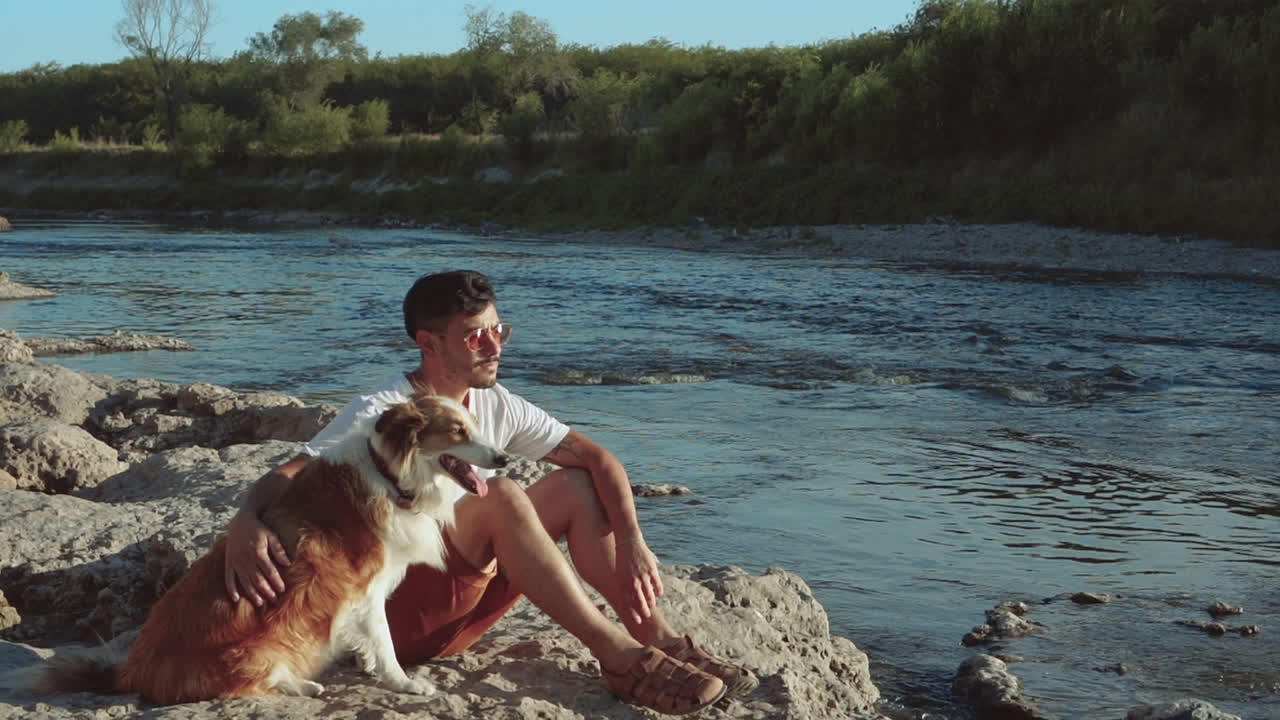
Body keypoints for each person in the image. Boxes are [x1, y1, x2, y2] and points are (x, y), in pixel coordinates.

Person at [223, 270, 758, 715]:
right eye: (475, 336)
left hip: (466, 607)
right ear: (429, 343)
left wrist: (634, 539)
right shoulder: (386, 412)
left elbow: (597, 459)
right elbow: (292, 473)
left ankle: (656, 641)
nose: (494, 344)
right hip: (399, 617)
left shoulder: (498, 403)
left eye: (499, 330)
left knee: (574, 485)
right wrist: (245, 521)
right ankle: (618, 658)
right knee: (500, 494)